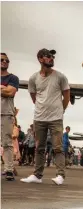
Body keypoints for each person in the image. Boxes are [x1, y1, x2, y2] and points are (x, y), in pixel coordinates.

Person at [21, 49, 70, 185]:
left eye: (52, 56)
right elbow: (34, 97)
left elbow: (66, 96)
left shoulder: (60, 77)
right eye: (48, 56)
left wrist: (61, 110)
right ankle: (37, 175)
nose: (51, 58)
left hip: (56, 118)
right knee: (39, 147)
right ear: (40, 59)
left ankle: (60, 175)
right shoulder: (33, 78)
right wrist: (42, 107)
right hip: (39, 118)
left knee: (58, 147)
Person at [1, 52, 19, 181]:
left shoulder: (13, 78)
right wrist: (3, 88)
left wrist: (6, 89)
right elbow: (5, 90)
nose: (4, 62)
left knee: (7, 142)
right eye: (2, 59)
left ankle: (8, 170)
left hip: (6, 113)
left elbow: (10, 92)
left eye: (7, 60)